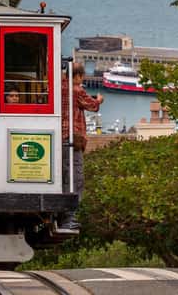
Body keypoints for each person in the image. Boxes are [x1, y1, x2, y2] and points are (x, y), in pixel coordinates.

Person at [60, 62, 103, 230]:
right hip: (73, 138)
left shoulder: (59, 87)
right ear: (77, 76)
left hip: (59, 138)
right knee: (75, 177)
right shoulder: (77, 90)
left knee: (64, 176)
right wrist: (99, 99)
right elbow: (93, 106)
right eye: (82, 76)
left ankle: (63, 215)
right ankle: (70, 216)